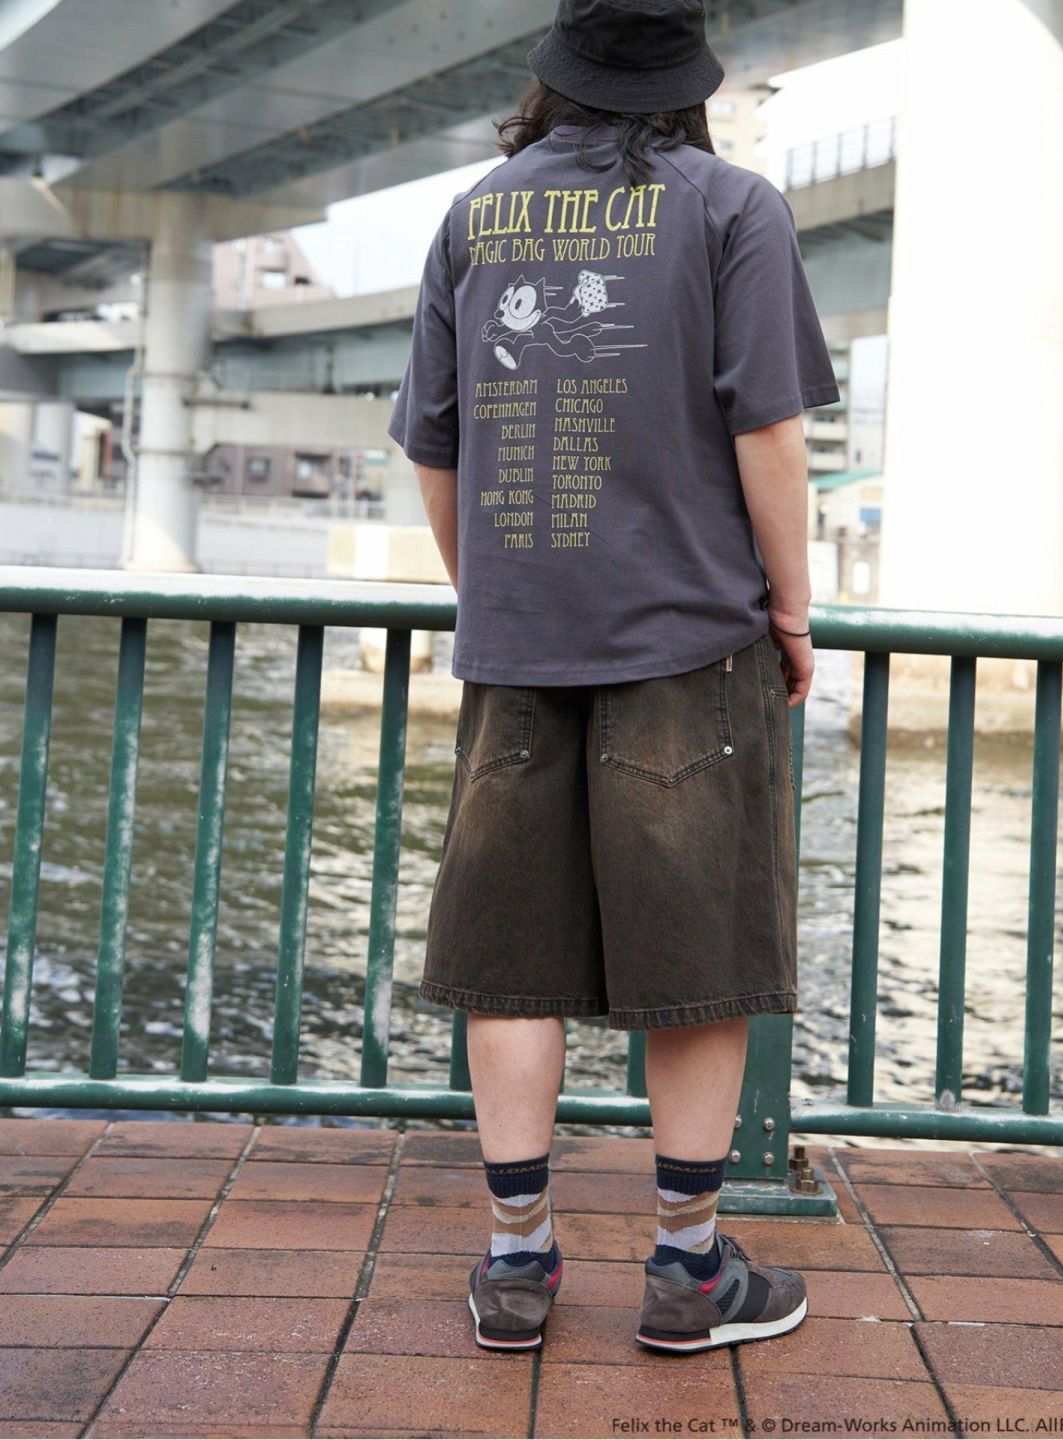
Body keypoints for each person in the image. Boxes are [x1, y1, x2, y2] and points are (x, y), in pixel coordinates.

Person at [388, 0, 840, 1356]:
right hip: (689, 642)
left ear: (557, 77)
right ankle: (688, 1273)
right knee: (697, 959)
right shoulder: (732, 207)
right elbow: (768, 434)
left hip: (520, 645)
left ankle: (517, 1264)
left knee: (510, 965)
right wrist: (793, 610)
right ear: (685, 85)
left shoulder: (476, 215)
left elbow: (434, 445)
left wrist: (495, 592)